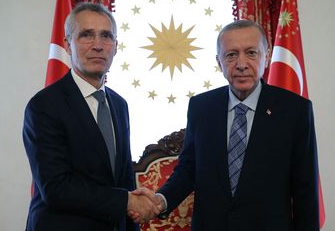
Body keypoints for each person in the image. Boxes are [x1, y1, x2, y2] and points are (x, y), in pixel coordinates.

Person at [132, 20, 320, 230]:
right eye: (231, 55)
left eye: (251, 53)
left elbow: (306, 191)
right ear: (219, 62)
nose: (241, 64)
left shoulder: (295, 110)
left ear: (266, 57)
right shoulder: (201, 107)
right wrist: (161, 200)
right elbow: (188, 169)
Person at [23, 2, 160, 231]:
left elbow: (123, 178)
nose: (98, 45)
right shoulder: (44, 106)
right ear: (68, 45)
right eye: (86, 35)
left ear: (115, 46)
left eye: (106, 36)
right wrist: (127, 201)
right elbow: (56, 188)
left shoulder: (119, 105)